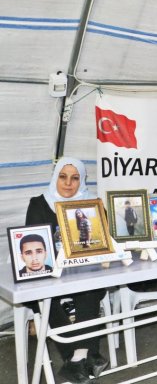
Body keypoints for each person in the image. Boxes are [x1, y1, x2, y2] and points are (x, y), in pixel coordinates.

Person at [24, 157, 108, 383]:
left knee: (89, 288)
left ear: (82, 180)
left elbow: (103, 240)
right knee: (43, 297)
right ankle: (85, 354)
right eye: (63, 176)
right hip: (49, 274)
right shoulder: (39, 204)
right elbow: (32, 245)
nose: (68, 183)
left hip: (83, 271)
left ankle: (76, 360)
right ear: (55, 178)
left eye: (75, 178)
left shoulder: (92, 203)